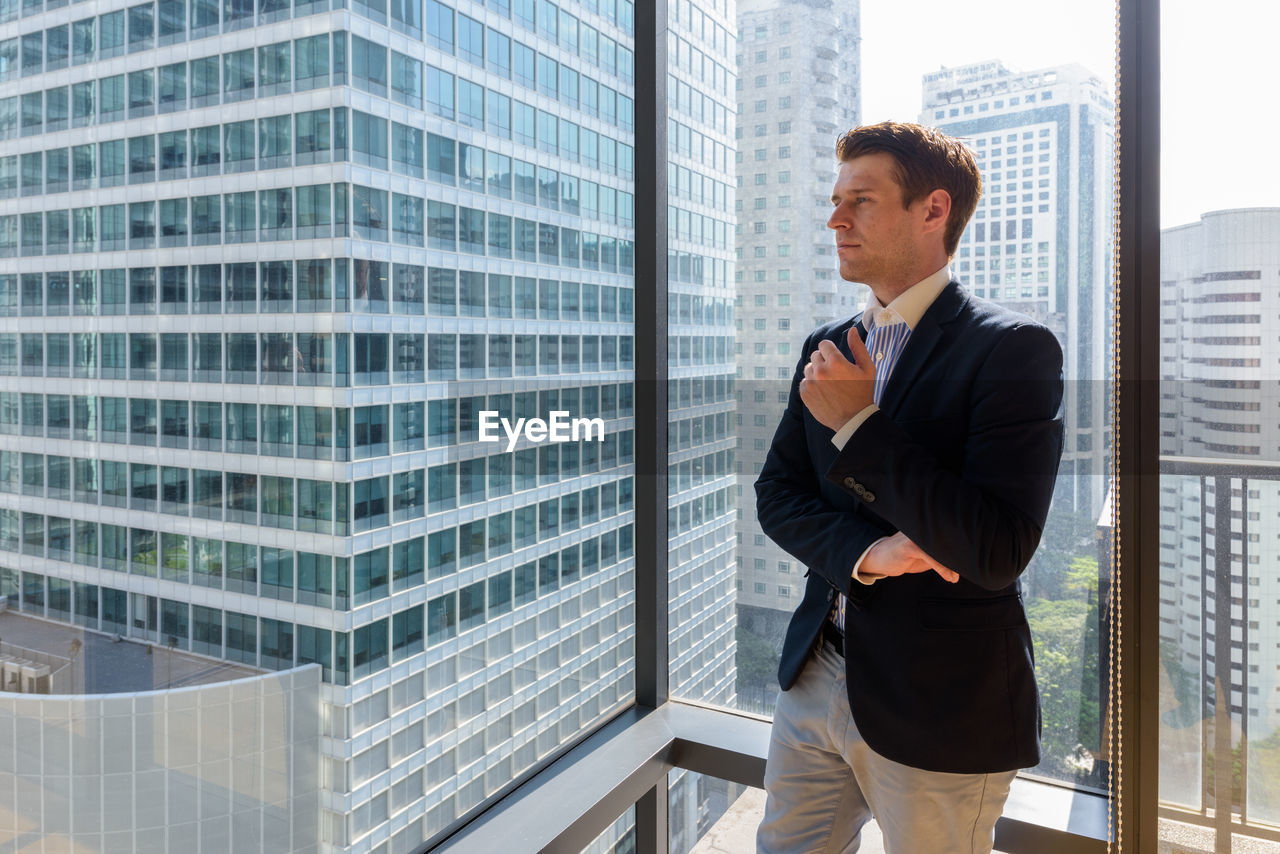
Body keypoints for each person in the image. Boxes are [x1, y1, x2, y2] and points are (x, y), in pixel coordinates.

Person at [754, 121, 1066, 854]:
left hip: (940, 701)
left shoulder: (1013, 350)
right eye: (835, 201)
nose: (835, 219)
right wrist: (869, 552)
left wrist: (860, 422)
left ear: (933, 210)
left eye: (860, 200)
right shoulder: (827, 347)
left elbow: (996, 547)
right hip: (816, 671)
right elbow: (778, 495)